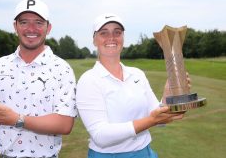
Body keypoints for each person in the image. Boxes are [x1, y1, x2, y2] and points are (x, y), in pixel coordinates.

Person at [0, 0, 77, 158]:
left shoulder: (62, 69)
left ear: (48, 28)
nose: (31, 28)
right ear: (15, 26)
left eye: (38, 22)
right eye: (24, 22)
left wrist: (17, 119)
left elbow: (65, 124)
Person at [76, 13, 186, 158]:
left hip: (145, 152)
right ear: (94, 40)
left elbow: (159, 119)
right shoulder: (88, 80)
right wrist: (151, 121)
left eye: (117, 32)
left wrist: (168, 96)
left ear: (123, 38)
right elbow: (100, 136)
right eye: (104, 33)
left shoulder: (137, 74)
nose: (111, 38)